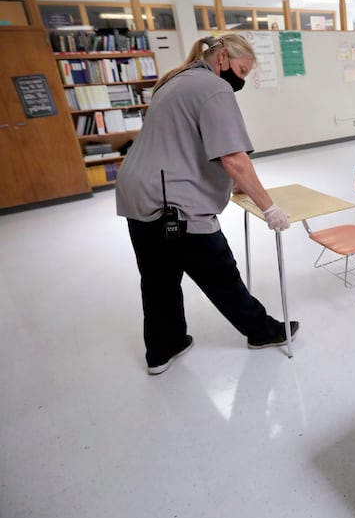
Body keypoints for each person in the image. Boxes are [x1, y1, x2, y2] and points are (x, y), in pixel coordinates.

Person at [116, 33, 298, 375]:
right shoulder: (214, 88)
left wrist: (235, 188)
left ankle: (162, 349)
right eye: (242, 71)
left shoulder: (176, 80)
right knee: (219, 272)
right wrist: (269, 207)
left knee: (158, 278)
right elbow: (234, 158)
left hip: (136, 193)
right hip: (171, 202)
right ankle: (263, 331)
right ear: (223, 57)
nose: (240, 80)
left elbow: (187, 143)